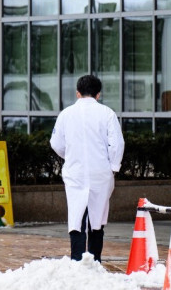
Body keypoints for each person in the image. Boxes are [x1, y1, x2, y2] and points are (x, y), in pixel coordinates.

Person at [50, 75, 125, 262]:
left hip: (75, 172)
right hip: (101, 172)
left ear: (77, 93)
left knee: (76, 217)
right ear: (98, 94)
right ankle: (95, 261)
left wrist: (71, 156)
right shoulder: (107, 113)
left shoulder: (65, 114)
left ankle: (76, 260)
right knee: (97, 218)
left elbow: (56, 143)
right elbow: (117, 144)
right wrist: (113, 167)